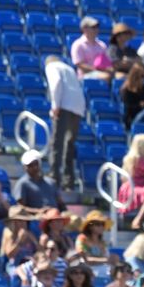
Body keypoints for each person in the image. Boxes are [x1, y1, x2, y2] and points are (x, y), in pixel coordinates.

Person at [44, 56, 86, 191]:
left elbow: (56, 83)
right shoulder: (69, 68)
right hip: (78, 107)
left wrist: (55, 106)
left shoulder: (51, 67)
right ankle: (69, 181)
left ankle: (54, 177)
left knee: (57, 143)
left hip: (64, 106)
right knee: (69, 145)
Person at [14, 150, 65, 215]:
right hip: (36, 219)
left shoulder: (51, 182)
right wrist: (39, 211)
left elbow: (60, 203)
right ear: (25, 167)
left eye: (36, 164)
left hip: (55, 218)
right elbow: (20, 207)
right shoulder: (22, 183)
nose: (34, 167)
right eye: (30, 165)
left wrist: (65, 213)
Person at [0, 206, 40, 277]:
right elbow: (10, 255)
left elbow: (40, 251)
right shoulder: (9, 234)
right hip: (14, 266)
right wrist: (19, 240)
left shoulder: (30, 234)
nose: (23, 223)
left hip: (30, 265)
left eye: (24, 221)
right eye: (20, 221)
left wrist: (34, 241)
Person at [75, 210, 117, 276]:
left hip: (102, 270)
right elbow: (86, 259)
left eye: (102, 224)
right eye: (98, 224)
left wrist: (113, 259)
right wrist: (106, 260)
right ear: (90, 226)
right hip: (86, 271)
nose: (101, 227)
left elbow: (105, 257)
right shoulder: (82, 239)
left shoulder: (102, 242)